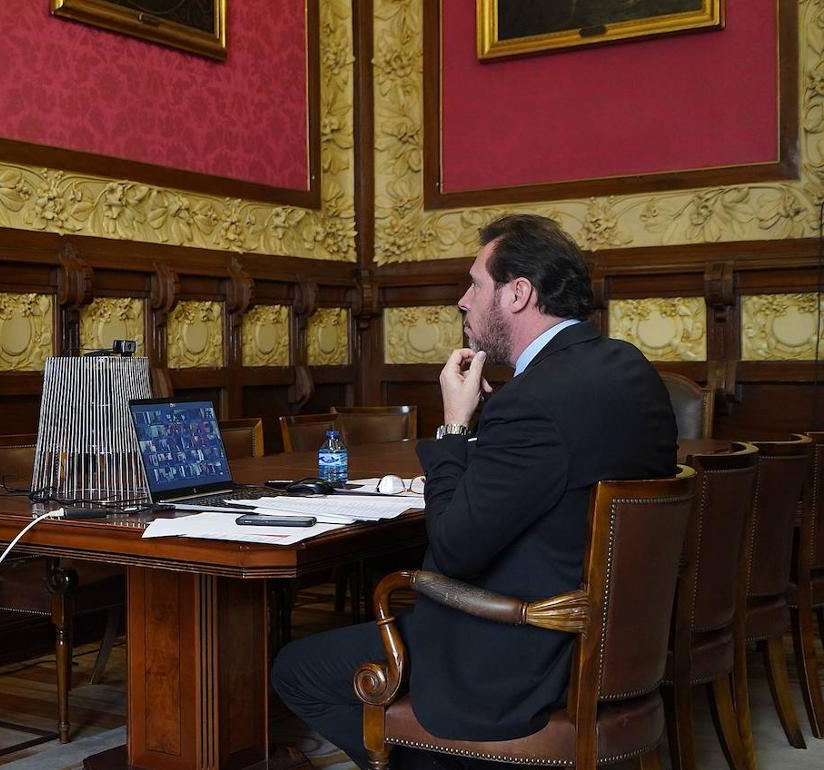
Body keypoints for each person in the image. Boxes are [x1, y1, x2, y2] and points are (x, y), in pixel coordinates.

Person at [270, 214, 678, 769]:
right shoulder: (630, 369)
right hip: (612, 646)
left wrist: (456, 427)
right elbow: (552, 475)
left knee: (297, 669)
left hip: (519, 657)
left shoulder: (532, 402)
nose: (463, 301)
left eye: (474, 284)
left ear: (517, 293)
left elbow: (454, 550)